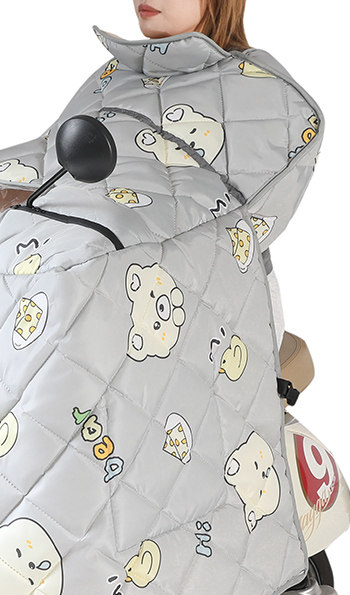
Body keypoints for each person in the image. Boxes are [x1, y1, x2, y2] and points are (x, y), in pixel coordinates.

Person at [132, 1, 291, 345]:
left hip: (232, 301)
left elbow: (256, 206)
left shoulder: (255, 84)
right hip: (136, 285)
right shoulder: (119, 78)